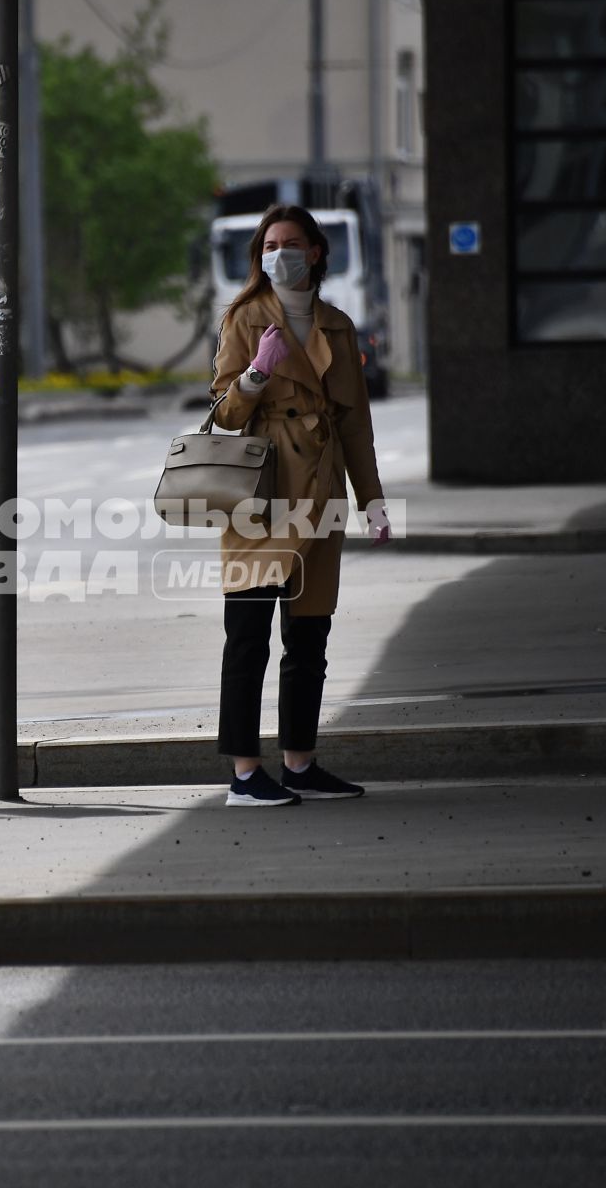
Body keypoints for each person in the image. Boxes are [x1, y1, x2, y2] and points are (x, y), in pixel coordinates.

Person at [208, 204, 391, 808]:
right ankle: (242, 774)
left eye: (289, 242)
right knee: (249, 634)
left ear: (315, 251)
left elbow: (356, 424)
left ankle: (300, 763)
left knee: (309, 635)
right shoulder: (243, 318)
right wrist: (258, 372)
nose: (277, 253)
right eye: (268, 244)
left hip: (321, 490)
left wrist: (374, 502)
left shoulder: (337, 325)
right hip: (261, 495)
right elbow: (225, 414)